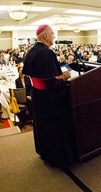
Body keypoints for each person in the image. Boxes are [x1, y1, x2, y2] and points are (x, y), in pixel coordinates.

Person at [22, 24, 75, 167]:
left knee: (42, 127)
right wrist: (65, 76)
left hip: (37, 96)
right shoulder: (47, 53)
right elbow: (51, 83)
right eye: (52, 34)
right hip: (49, 99)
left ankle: (44, 152)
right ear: (45, 36)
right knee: (54, 127)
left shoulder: (31, 51)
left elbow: (34, 78)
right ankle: (57, 158)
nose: (54, 37)